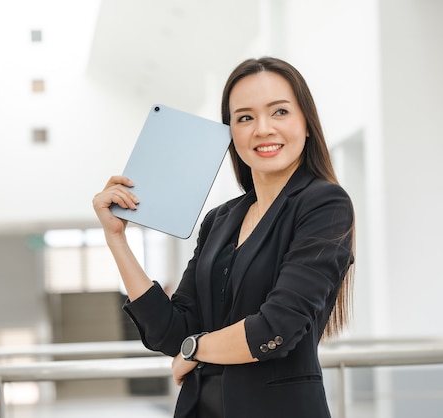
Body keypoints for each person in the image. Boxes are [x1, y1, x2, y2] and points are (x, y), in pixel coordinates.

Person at [93, 57, 355, 418]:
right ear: (229, 133)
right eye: (245, 117)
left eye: (279, 112)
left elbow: (275, 329)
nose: (263, 129)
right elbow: (171, 332)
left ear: (307, 124)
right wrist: (117, 240)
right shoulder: (220, 220)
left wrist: (193, 348)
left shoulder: (324, 204)